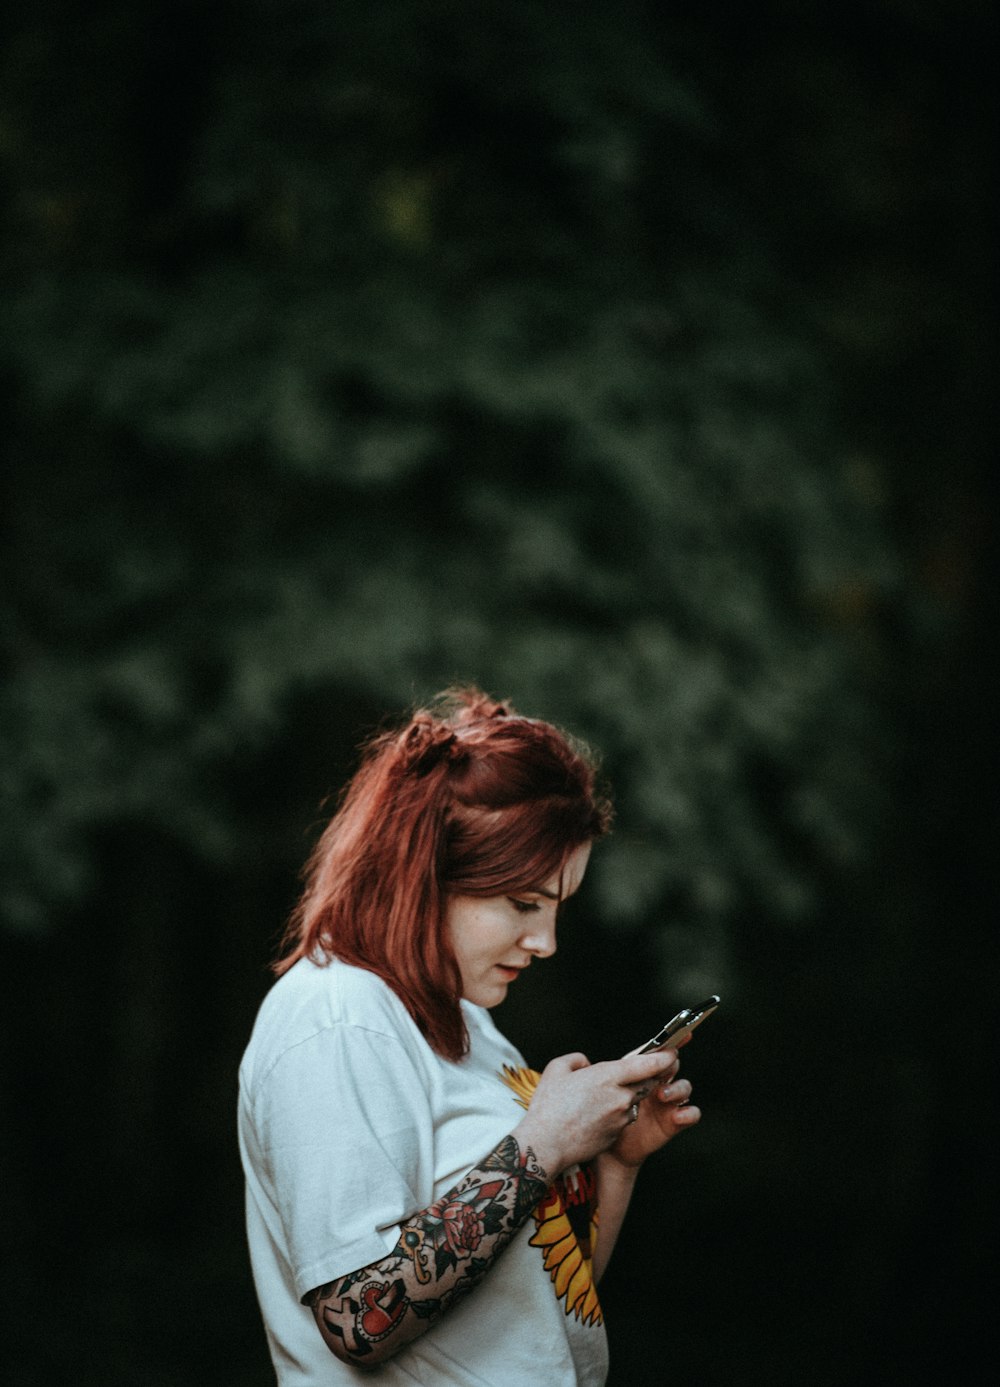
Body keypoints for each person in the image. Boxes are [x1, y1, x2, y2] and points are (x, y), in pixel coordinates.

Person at [238, 688, 701, 1385]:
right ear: (426, 875)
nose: (545, 941)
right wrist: (544, 1141)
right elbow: (359, 1317)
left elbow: (548, 1307)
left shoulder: (468, 1026)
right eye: (522, 903)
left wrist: (613, 1162)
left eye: (557, 909)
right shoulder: (334, 1015)